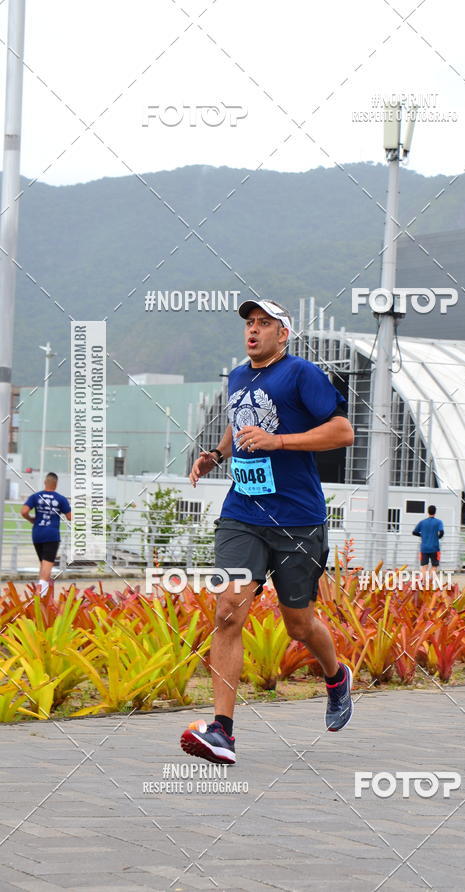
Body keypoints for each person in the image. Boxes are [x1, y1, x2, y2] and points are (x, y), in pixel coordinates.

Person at [180, 299, 355, 764]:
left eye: (264, 324)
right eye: (249, 323)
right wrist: (216, 455)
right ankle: (222, 732)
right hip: (243, 514)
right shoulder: (239, 376)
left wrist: (279, 441)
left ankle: (336, 676)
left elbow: (342, 432)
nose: (253, 331)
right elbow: (240, 424)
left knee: (298, 624)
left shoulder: (302, 374)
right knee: (228, 610)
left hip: (297, 519)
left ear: (284, 334)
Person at [21, 472, 72, 596]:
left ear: (45, 482)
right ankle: (41, 594)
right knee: (47, 565)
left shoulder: (36, 496)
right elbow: (70, 517)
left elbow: (23, 511)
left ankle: (43, 594)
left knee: (43, 564)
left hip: (37, 533)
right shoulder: (60, 499)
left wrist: (31, 519)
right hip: (52, 534)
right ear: (56, 484)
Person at [412, 505, 444, 582]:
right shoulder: (438, 522)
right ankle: (430, 582)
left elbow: (414, 532)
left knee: (424, 566)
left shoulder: (422, 522)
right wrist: (437, 537)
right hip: (435, 547)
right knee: (434, 566)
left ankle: (423, 583)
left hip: (424, 548)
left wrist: (422, 535)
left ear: (428, 511)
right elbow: (442, 532)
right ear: (435, 512)